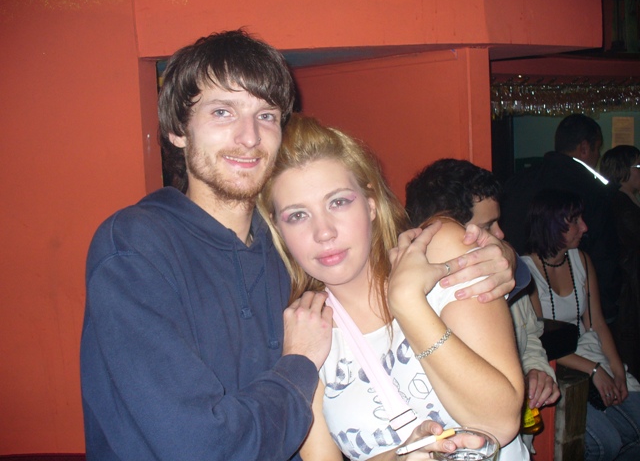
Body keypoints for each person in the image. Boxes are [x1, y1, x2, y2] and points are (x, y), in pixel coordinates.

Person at [80, 30, 518, 460]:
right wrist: (300, 363)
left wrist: (501, 257)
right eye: (222, 112)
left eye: (266, 115)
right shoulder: (136, 248)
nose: (249, 136)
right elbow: (201, 446)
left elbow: (387, 252)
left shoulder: (284, 251)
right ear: (178, 130)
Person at [257, 115, 528, 460]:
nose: (324, 232)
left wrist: (408, 303)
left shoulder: (438, 249)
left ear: (370, 204)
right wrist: (401, 456)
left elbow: (498, 422)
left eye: (338, 202)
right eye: (297, 215)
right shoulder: (306, 329)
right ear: (279, 230)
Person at [404, 158, 561, 451]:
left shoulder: (497, 273)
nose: (500, 234)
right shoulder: (420, 294)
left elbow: (529, 334)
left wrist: (537, 368)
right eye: (488, 226)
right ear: (447, 231)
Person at [521, 188, 640, 461]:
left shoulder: (581, 260)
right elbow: (541, 343)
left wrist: (617, 371)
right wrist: (595, 370)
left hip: (588, 353)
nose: (584, 227)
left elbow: (597, 323)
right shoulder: (527, 271)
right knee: (607, 443)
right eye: (575, 220)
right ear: (551, 224)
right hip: (557, 365)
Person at [500, 113, 621, 325]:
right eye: (597, 149)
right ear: (585, 148)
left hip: (513, 291)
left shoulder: (518, 180)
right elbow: (604, 256)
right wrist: (608, 311)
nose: (598, 156)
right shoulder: (592, 189)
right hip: (562, 306)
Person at [600, 146, 640, 380]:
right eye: (638, 166)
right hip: (626, 289)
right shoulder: (619, 203)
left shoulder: (626, 200)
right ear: (622, 169)